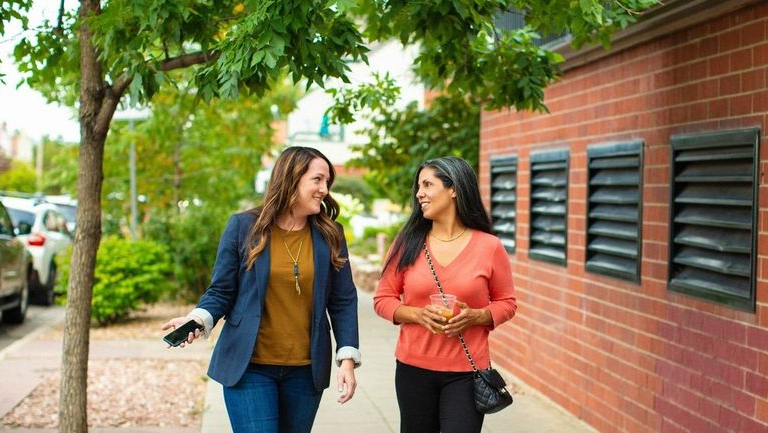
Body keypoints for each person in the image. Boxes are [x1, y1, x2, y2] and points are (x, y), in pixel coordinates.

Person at [162, 146, 361, 433]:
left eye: (327, 181)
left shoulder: (330, 234)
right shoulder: (244, 227)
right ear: (292, 179)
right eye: (317, 180)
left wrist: (347, 358)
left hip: (305, 372)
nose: (324, 189)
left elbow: (342, 301)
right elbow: (221, 291)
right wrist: (199, 318)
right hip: (250, 367)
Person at [373, 156, 517, 433]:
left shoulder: (489, 247)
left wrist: (478, 316)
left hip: (466, 371)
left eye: (428, 184)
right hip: (413, 369)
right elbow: (383, 299)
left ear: (454, 189)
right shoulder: (407, 243)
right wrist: (417, 314)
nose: (419, 193)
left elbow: (507, 303)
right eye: (418, 186)